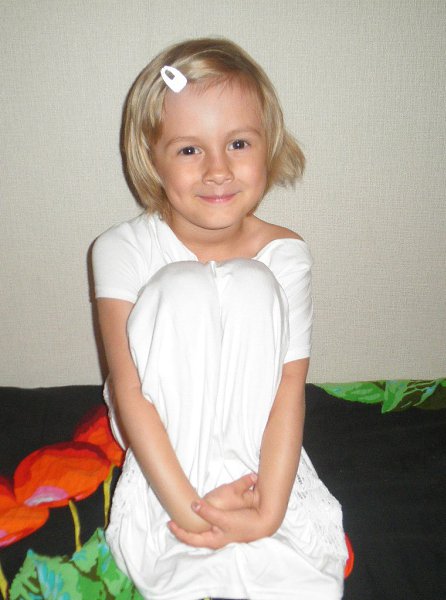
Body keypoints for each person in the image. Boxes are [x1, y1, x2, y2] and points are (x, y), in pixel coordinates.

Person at [92, 38, 347, 600]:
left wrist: (269, 512)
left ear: (267, 145)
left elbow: (288, 386)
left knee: (252, 282)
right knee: (181, 286)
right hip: (167, 451)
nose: (218, 170)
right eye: (189, 149)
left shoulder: (285, 253)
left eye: (237, 143)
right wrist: (193, 511)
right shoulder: (120, 249)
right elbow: (130, 391)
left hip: (257, 456)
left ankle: (252, 508)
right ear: (151, 158)